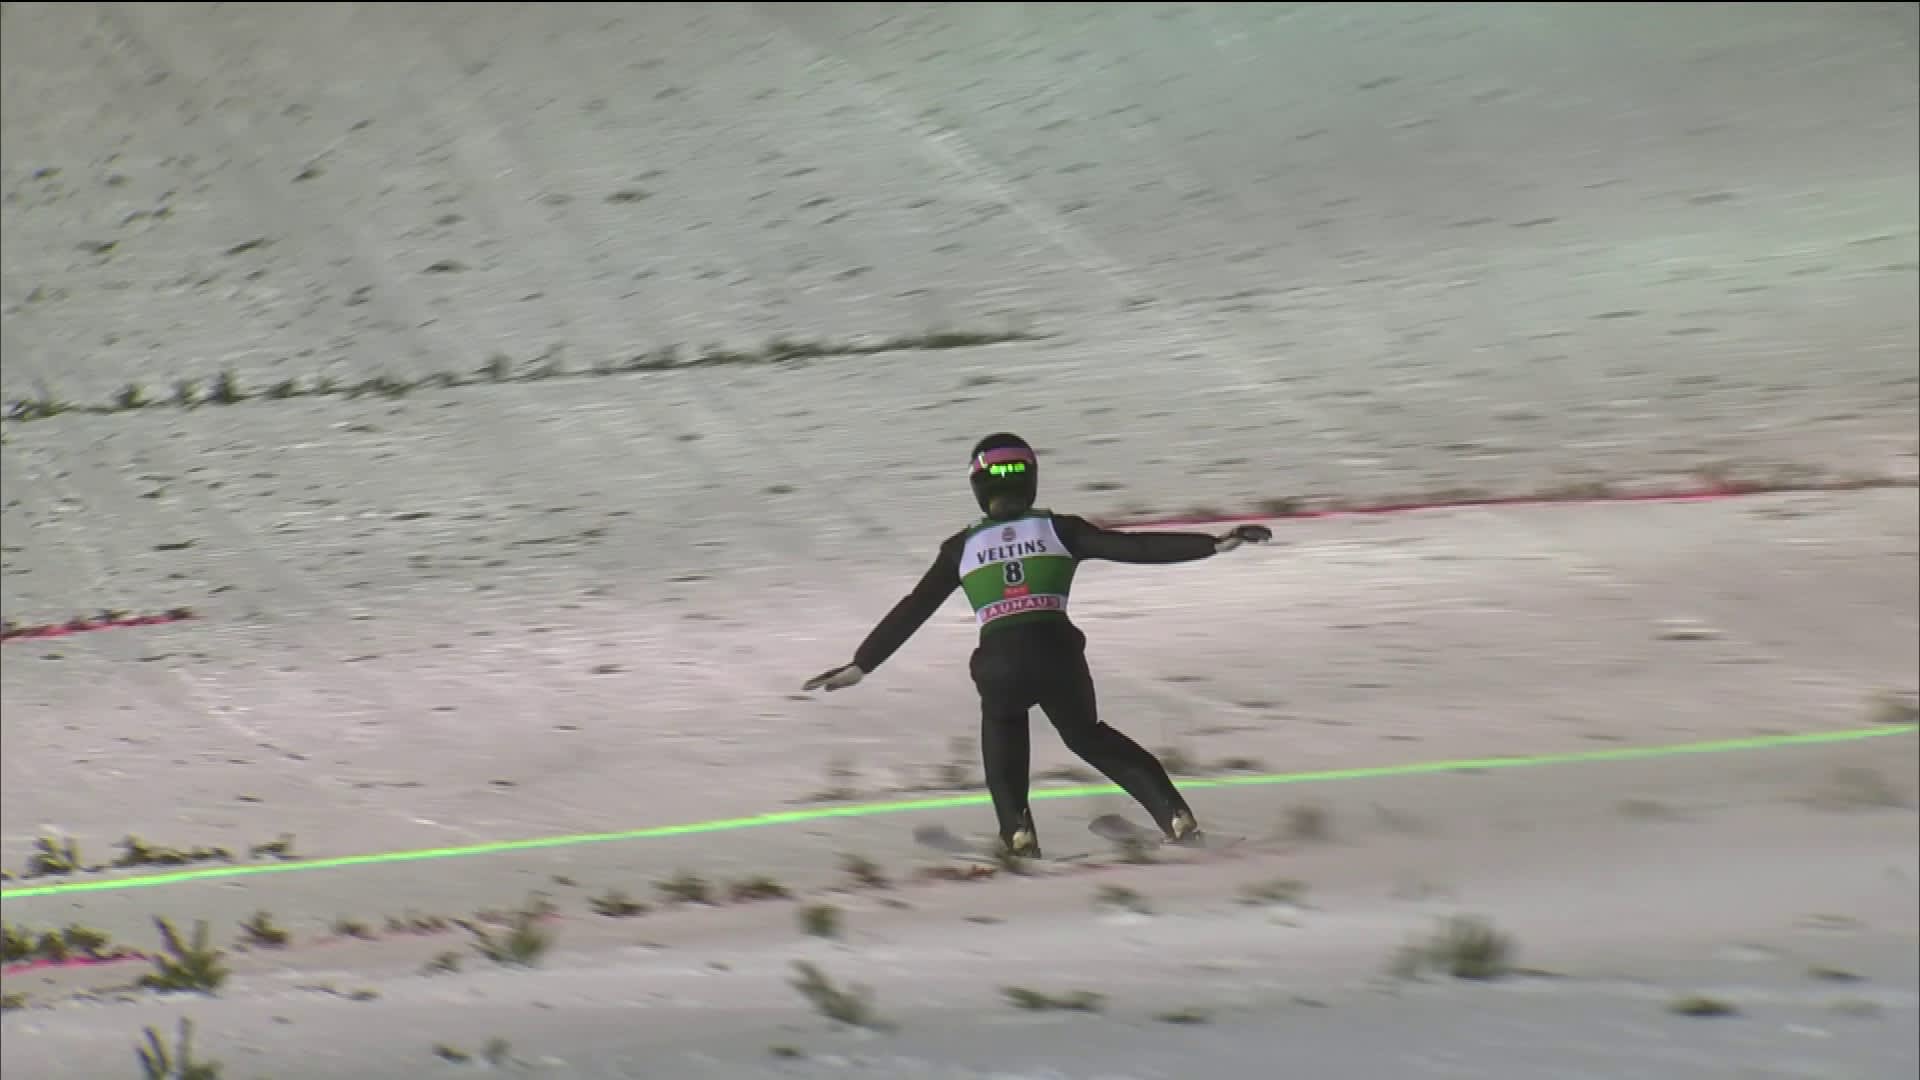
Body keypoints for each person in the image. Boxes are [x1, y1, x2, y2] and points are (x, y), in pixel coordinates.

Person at [802, 432, 1272, 857]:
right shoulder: (1060, 529)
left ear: (977, 486)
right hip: (1058, 653)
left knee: (1002, 727)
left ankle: (1018, 835)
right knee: (1089, 737)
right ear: (1031, 480)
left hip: (1000, 662)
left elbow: (914, 607)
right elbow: (1135, 548)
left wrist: (861, 665)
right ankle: (1176, 818)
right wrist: (1213, 544)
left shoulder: (960, 548)